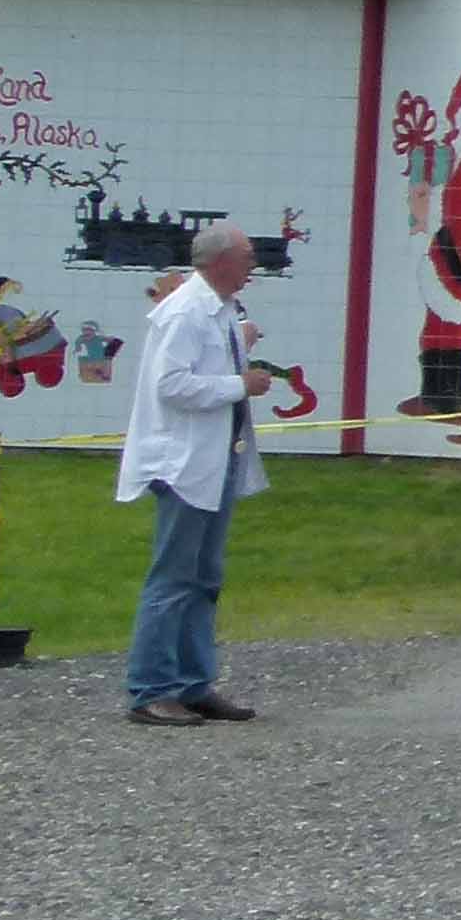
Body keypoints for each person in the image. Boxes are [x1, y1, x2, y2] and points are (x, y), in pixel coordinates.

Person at [118, 221, 271, 728]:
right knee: (173, 578)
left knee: (204, 578)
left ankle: (193, 683)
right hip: (182, 464)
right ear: (220, 261)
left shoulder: (220, 310)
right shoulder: (184, 311)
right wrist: (239, 383)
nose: (253, 264)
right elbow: (171, 385)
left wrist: (239, 347)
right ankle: (151, 689)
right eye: (247, 256)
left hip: (215, 460)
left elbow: (204, 366)